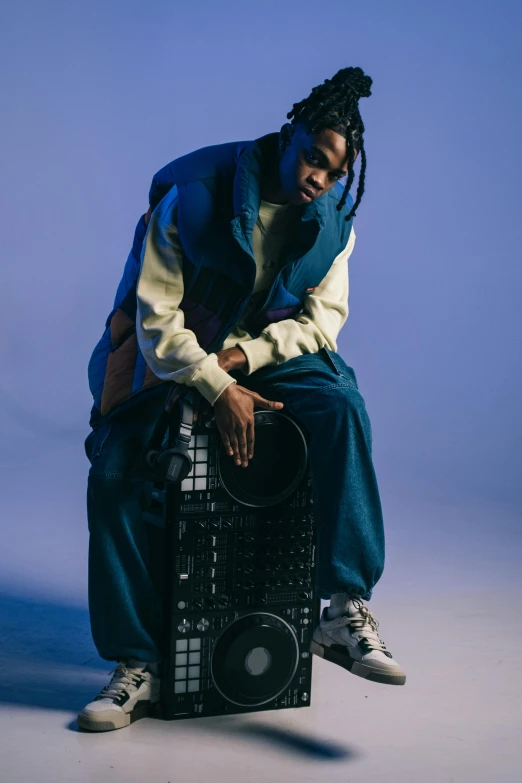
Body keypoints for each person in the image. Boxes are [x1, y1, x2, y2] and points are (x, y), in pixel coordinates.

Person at [79, 66, 406, 733]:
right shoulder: (194, 194)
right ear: (290, 138)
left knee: (341, 403)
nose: (318, 177)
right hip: (163, 358)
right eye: (313, 157)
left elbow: (320, 323)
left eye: (333, 172)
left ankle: (342, 606)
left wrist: (243, 361)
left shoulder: (335, 223)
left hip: (252, 352)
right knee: (115, 473)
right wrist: (215, 384)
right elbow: (154, 319)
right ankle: (138, 664)